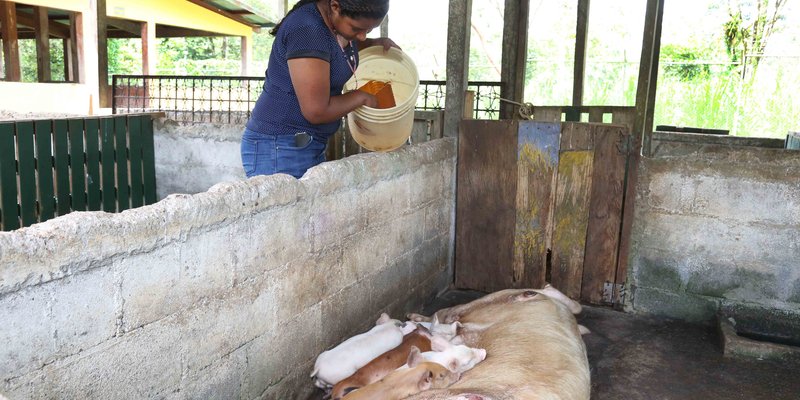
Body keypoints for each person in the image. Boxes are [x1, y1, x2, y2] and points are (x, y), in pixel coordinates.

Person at [241, 0, 398, 179]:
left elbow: (335, 47)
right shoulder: (307, 30)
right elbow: (316, 110)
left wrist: (374, 43)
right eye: (356, 29)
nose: (361, 36)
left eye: (369, 30)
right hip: (280, 146)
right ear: (335, 6)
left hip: (301, 143)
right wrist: (361, 97)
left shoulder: (331, 26)